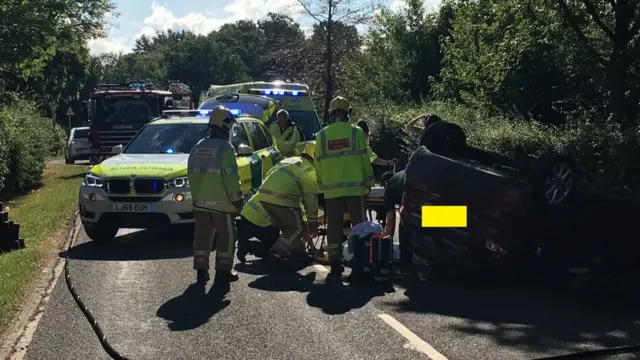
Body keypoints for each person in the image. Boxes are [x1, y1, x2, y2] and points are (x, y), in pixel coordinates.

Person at [314, 96, 374, 280]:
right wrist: (369, 182)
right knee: (359, 225)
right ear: (348, 114)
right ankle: (360, 262)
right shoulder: (356, 133)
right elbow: (365, 159)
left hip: (332, 189)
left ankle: (335, 263)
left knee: (333, 225)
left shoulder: (321, 135)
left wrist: (322, 184)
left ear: (331, 114)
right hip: (355, 188)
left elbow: (318, 162)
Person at [187, 106, 243, 286]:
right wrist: (237, 199)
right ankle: (223, 272)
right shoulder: (225, 148)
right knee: (227, 237)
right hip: (222, 205)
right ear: (225, 125)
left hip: (200, 204)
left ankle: (201, 273)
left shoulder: (197, 147)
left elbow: (192, 175)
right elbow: (231, 177)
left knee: (202, 237)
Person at [258, 142, 319, 270]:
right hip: (281, 199)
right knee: (298, 228)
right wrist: (313, 222)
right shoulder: (308, 170)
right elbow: (310, 199)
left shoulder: (292, 160)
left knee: (289, 229)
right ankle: (275, 254)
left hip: (264, 195)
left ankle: (300, 254)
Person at [236, 192, 280, 263]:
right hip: (258, 220)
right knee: (277, 247)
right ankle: (247, 247)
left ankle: (245, 246)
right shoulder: (290, 194)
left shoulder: (272, 183)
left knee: (275, 242)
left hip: (246, 214)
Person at [381, 169, 411, 271]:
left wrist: (386, 245)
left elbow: (391, 218)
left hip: (411, 189)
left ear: (385, 183)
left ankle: (406, 264)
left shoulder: (390, 187)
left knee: (406, 223)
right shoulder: (401, 175)